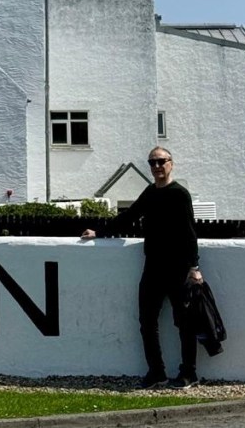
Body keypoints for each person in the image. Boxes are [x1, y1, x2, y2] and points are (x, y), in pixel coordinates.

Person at [80, 146, 203, 389]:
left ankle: (189, 372)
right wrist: (99, 232)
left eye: (161, 162)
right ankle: (156, 372)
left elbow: (189, 232)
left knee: (184, 322)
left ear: (171, 163)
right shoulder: (150, 193)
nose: (157, 167)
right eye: (152, 163)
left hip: (178, 268)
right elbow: (129, 217)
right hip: (153, 267)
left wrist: (194, 266)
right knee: (147, 321)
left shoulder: (180, 194)